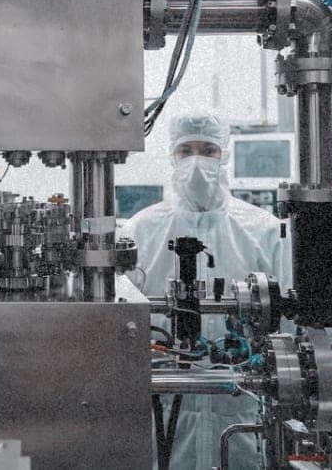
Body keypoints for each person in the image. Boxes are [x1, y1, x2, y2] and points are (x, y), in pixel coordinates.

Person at [123, 111, 290, 470]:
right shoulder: (142, 231)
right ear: (172, 155)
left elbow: (291, 326)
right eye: (186, 151)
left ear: (223, 154)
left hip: (243, 406)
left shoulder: (263, 231)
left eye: (208, 150)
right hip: (165, 406)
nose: (197, 162)